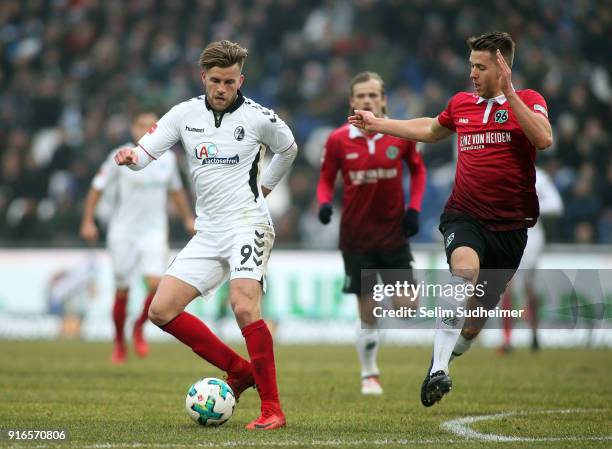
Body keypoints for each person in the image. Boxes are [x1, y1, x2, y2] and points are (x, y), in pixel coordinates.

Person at [349, 31, 553, 406]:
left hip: (511, 229)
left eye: (480, 67)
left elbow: (543, 139)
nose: (472, 73)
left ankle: (442, 360)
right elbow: (429, 129)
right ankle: (439, 368)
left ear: (503, 68)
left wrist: (509, 92)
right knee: (462, 272)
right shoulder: (462, 104)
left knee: (473, 326)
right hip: (465, 215)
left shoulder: (529, 101)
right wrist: (378, 124)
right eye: (470, 65)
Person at [114, 40, 297, 430]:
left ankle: (272, 408)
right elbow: (146, 152)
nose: (221, 88)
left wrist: (265, 188)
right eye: (215, 80)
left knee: (244, 305)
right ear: (203, 78)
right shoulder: (184, 114)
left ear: (240, 80)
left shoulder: (259, 117)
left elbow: (289, 148)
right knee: (160, 310)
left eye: (229, 82)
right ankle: (239, 370)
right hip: (209, 229)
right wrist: (132, 159)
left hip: (249, 222)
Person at [317, 72, 426, 395]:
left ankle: (375, 346)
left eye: (372, 95)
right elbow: (325, 179)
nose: (366, 100)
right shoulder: (338, 139)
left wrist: (415, 209)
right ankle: (370, 374)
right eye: (360, 96)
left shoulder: (400, 135)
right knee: (367, 310)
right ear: (352, 101)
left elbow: (418, 171)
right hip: (356, 236)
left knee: (407, 308)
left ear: (383, 100)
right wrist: (324, 204)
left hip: (393, 233)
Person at [80, 112, 195, 364]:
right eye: (141, 125)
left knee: (156, 285)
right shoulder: (119, 155)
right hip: (124, 230)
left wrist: (188, 218)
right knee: (122, 290)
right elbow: (96, 187)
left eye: (150, 126)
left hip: (154, 230)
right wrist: (88, 220)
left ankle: (139, 328)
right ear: (132, 128)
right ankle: (119, 343)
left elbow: (176, 192)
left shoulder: (166, 160)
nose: (145, 130)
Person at [499, 166, 563, 352]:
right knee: (507, 286)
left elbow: (556, 204)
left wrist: (528, 207)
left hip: (531, 236)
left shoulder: (539, 176)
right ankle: (507, 340)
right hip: (507, 233)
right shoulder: (501, 171)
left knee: (529, 287)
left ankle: (534, 335)